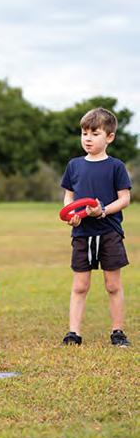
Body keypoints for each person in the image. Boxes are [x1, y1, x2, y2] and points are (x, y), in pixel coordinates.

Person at [61, 107, 131, 347]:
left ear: (109, 137)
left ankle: (118, 332)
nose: (87, 139)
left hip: (109, 232)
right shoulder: (74, 165)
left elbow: (125, 199)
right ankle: (73, 333)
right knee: (80, 286)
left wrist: (102, 211)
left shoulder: (116, 166)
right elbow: (69, 197)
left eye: (94, 133)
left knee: (113, 285)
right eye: (84, 133)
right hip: (82, 233)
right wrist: (71, 213)